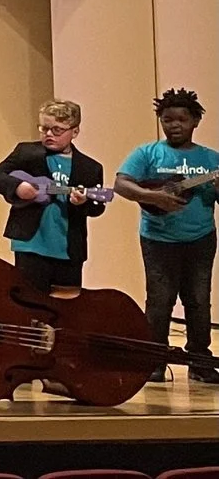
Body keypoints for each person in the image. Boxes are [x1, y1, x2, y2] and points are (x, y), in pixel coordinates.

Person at [113, 88, 219, 384]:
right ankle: (154, 361)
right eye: (167, 119)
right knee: (160, 301)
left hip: (200, 239)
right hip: (158, 239)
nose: (174, 125)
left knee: (199, 301)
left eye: (181, 119)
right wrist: (153, 196)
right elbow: (121, 184)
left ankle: (200, 362)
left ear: (195, 121)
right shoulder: (147, 153)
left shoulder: (211, 159)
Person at [0, 100, 105, 292]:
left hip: (68, 249)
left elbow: (97, 207)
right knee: (29, 299)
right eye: (44, 128)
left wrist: (82, 202)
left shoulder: (90, 167)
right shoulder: (26, 152)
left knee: (66, 303)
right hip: (30, 245)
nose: (48, 134)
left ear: (74, 131)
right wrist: (18, 187)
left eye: (57, 130)